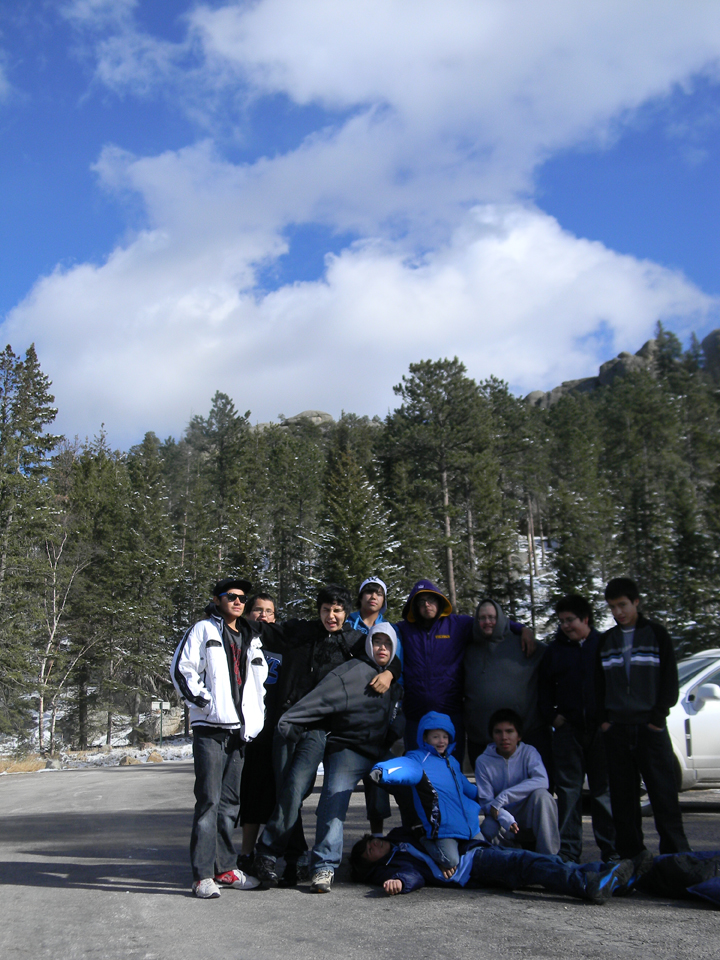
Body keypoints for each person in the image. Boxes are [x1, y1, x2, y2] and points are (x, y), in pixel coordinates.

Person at [253, 585, 402, 884]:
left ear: (347, 614)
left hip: (319, 727)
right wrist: (231, 617)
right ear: (318, 610)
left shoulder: (354, 641)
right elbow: (265, 632)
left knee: (295, 788)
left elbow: (383, 653)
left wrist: (391, 672)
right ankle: (283, 857)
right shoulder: (300, 632)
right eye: (325, 610)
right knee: (289, 791)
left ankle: (273, 852)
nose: (330, 616)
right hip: (288, 719)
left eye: (336, 611)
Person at [170, 577, 265, 898]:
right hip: (211, 729)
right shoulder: (203, 630)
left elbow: (258, 683)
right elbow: (182, 669)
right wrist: (206, 703)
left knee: (229, 804)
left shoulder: (251, 637)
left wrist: (254, 717)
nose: (238, 602)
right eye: (231, 597)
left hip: (239, 731)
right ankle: (201, 876)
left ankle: (225, 868)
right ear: (217, 599)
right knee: (209, 802)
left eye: (242, 598)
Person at [597, 577, 691, 859]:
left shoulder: (657, 634)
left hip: (650, 729)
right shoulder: (606, 640)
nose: (618, 612)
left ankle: (676, 858)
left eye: (623, 605)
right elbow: (597, 684)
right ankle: (632, 857)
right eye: (612, 607)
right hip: (617, 729)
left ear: (636, 602)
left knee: (663, 795)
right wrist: (605, 720)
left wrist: (658, 717)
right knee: (624, 799)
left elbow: (669, 680)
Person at [396, 580, 535, 761]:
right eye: (421, 602)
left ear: (440, 601)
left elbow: (491, 622)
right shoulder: (403, 630)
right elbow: (381, 636)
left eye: (430, 600)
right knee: (417, 769)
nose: (426, 605)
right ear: (413, 607)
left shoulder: (458, 625)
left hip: (450, 712)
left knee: (452, 768)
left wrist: (522, 629)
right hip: (415, 713)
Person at [538, 594, 617, 863]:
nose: (565, 626)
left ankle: (611, 850)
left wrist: (608, 718)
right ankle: (569, 852)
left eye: (570, 620)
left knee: (603, 791)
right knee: (569, 793)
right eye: (561, 621)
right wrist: (553, 717)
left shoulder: (604, 645)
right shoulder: (555, 651)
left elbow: (615, 683)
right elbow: (544, 689)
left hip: (600, 730)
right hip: (568, 731)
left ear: (585, 619)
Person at [350, 829, 634, 903]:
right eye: (368, 852)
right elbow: (410, 875)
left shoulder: (399, 836)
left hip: (474, 853)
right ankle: (590, 883)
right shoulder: (391, 867)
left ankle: (613, 875)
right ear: (370, 865)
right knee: (526, 862)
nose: (372, 846)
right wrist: (399, 882)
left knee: (534, 865)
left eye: (370, 842)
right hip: (471, 866)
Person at [370, 711, 481, 872]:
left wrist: (486, 797)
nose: (441, 741)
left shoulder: (452, 761)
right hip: (443, 828)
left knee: (484, 850)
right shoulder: (418, 759)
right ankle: (423, 840)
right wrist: (383, 771)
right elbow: (404, 767)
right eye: (435, 737)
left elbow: (466, 786)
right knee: (450, 860)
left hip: (468, 825)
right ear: (424, 738)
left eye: (445, 736)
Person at [346, 576, 403, 834]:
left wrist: (390, 674)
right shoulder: (347, 623)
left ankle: (377, 835)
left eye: (378, 592)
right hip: (351, 704)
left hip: (381, 704)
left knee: (378, 777)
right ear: (360, 596)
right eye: (368, 591)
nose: (373, 596)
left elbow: (397, 661)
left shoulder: (389, 628)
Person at [465, 598, 548, 770]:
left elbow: (556, 661)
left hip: (525, 735)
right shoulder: (468, 648)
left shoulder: (524, 644)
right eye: (482, 618)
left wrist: (524, 629)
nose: (487, 622)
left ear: (501, 619)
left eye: (492, 617)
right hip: (481, 737)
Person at [475, 708, 560, 855]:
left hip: (529, 816)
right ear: (492, 735)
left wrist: (504, 796)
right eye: (498, 732)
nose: (504, 737)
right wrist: (505, 818)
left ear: (519, 735)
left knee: (543, 796)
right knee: (488, 828)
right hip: (503, 819)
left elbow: (542, 780)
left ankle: (549, 859)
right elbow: (487, 802)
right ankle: (510, 859)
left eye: (509, 731)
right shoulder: (483, 761)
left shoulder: (529, 752)